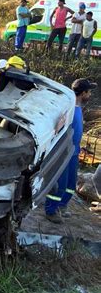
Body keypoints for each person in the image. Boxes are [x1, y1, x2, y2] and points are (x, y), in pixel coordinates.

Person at [45, 78, 98, 223]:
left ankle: (61, 205)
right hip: (64, 153)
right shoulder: (67, 109)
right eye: (89, 92)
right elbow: (57, 129)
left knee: (70, 184)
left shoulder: (78, 108)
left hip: (74, 152)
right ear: (83, 93)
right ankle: (50, 210)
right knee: (60, 184)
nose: (90, 95)